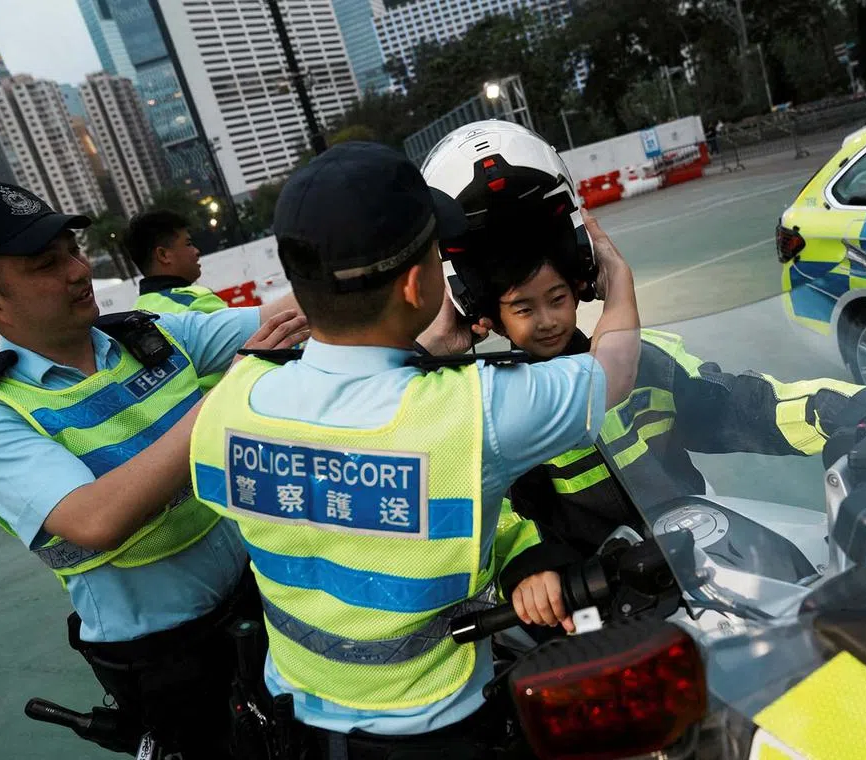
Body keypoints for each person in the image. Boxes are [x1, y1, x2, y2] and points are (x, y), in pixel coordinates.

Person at [188, 141, 640, 758]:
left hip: (296, 726)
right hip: (437, 727)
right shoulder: (473, 411)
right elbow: (612, 374)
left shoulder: (232, 402)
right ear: (415, 283)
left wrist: (429, 355)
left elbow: (342, 470)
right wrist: (618, 281)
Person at [422, 120, 866, 558]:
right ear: (480, 305)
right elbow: (474, 508)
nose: (547, 320)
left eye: (556, 297)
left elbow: (744, 404)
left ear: (582, 276)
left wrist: (844, 407)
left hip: (695, 562)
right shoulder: (484, 407)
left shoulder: (649, 361)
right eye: (524, 308)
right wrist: (530, 566)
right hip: (588, 610)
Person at [0, 182, 309, 757]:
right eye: (46, 264)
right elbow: (96, 518)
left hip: (259, 596)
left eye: (74, 250)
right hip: (164, 656)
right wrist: (233, 391)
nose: (78, 271)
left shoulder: (146, 335)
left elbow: (282, 319)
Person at [128, 211, 230, 391]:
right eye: (188, 244)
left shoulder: (135, 314)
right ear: (163, 255)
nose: (197, 251)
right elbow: (256, 344)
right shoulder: (192, 300)